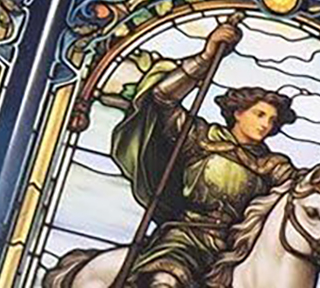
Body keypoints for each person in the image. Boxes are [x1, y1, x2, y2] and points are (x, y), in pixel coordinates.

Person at [109, 19, 297, 288]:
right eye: (259, 114)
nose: (266, 124)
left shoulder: (273, 166)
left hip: (236, 252)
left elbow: (302, 193)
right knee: (164, 281)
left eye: (272, 120)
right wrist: (206, 57)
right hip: (186, 237)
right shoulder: (199, 138)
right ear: (238, 112)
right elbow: (163, 97)